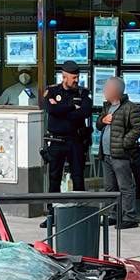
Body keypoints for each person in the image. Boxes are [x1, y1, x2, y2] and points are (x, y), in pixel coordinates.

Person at [98, 76, 140, 228]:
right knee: (109, 187)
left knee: (125, 186)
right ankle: (111, 214)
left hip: (120, 154)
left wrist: (124, 143)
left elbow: (138, 128)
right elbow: (98, 124)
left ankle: (129, 217)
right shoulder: (106, 106)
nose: (104, 91)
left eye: (107, 88)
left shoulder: (130, 107)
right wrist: (103, 120)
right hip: (106, 154)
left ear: (115, 91)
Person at [42, 60, 92, 192]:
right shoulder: (52, 91)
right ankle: (53, 209)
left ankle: (79, 208)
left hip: (75, 140)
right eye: (74, 77)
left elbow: (85, 112)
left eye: (78, 77)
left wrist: (62, 112)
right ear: (64, 77)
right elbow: (51, 110)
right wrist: (71, 107)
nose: (77, 80)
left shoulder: (83, 93)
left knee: (78, 176)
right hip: (56, 141)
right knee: (54, 177)